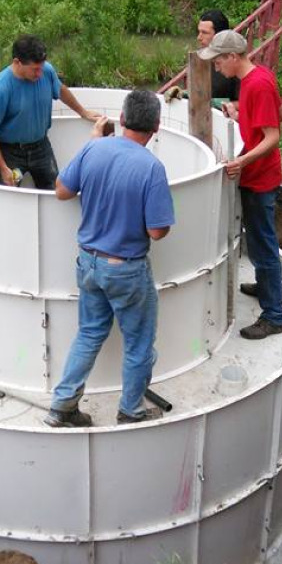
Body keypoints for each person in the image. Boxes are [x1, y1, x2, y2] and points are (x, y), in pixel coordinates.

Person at [44, 90, 175, 428]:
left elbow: (61, 191)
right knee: (139, 344)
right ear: (156, 127)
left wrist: (92, 145)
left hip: (88, 262)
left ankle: (62, 406)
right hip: (125, 269)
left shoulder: (93, 147)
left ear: (121, 118)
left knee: (89, 333)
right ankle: (130, 410)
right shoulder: (151, 167)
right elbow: (158, 231)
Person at [198, 29, 282, 340]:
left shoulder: (258, 84)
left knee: (263, 245)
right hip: (258, 173)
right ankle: (265, 288)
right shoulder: (256, 79)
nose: (216, 67)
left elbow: (274, 136)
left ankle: (275, 315)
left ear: (233, 57)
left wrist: (241, 161)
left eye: (218, 61)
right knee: (259, 240)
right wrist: (238, 113)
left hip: (260, 179)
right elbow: (280, 114)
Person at [0, 35, 100, 190]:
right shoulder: (0, 90)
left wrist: (83, 112)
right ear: (17, 62)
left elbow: (60, 89)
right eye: (34, 70)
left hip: (41, 147)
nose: (39, 74)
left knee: (54, 190)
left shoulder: (47, 71)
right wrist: (3, 167)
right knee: (8, 197)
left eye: (41, 68)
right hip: (10, 154)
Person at [196, 9, 240, 107]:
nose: (199, 37)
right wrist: (183, 94)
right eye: (199, 32)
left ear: (219, 36)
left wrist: (220, 104)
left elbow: (247, 103)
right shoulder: (201, 58)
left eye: (205, 32)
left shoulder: (234, 62)